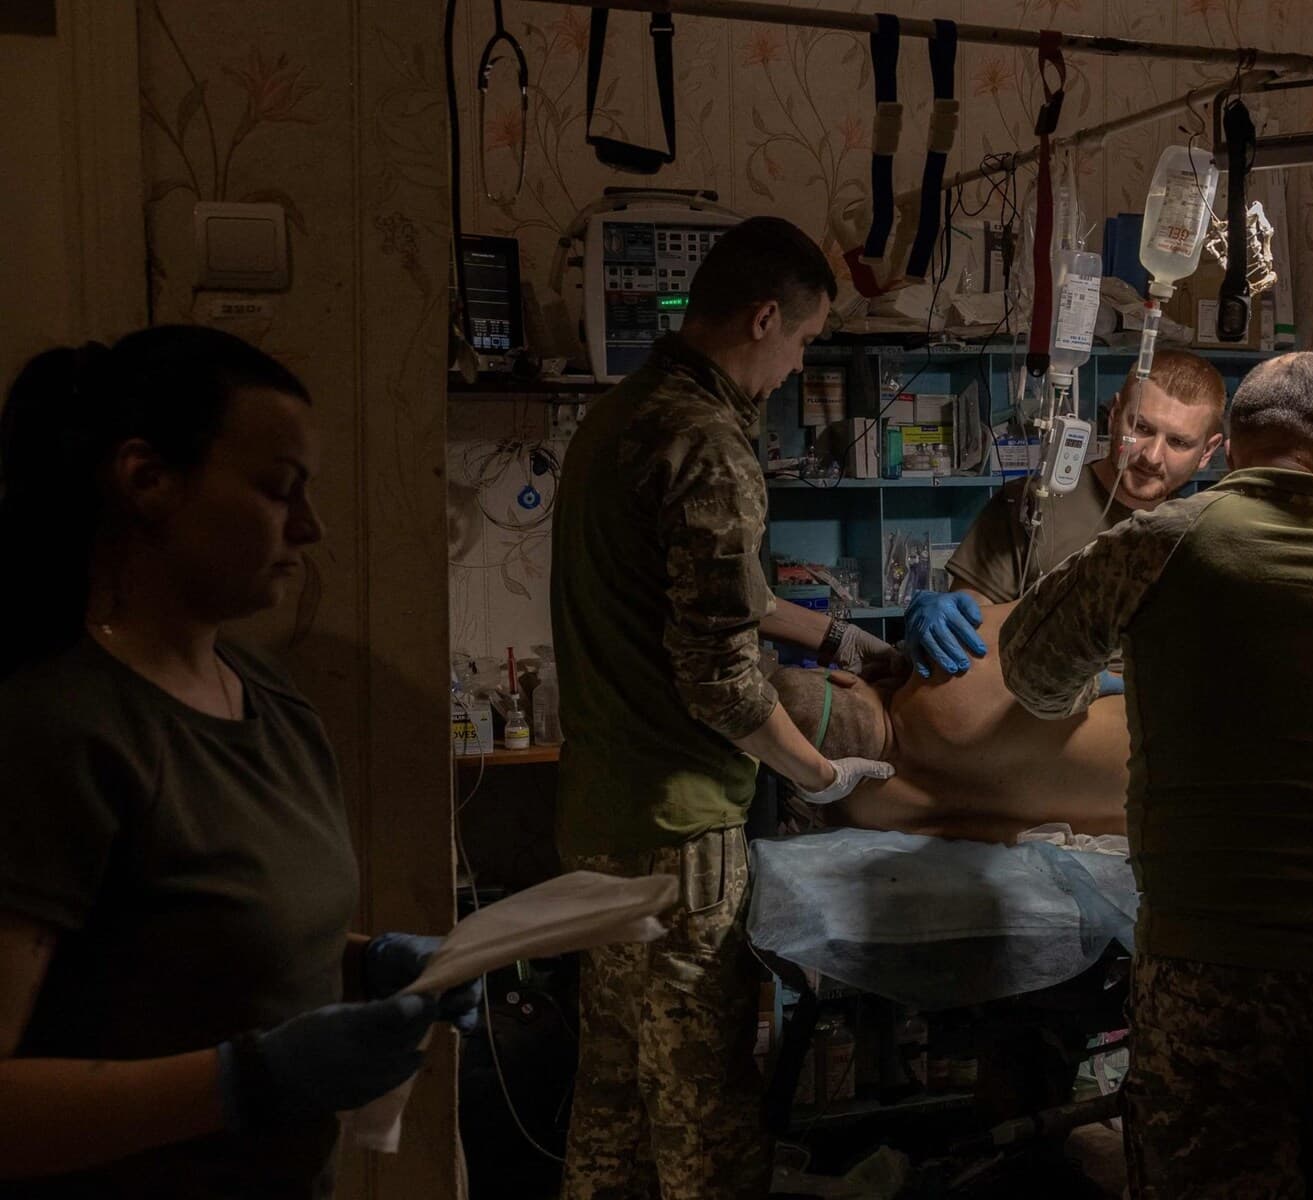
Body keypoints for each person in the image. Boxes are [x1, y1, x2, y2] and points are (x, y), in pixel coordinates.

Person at [0, 327, 482, 1195]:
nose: (311, 527)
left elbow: (188, 945)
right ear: (148, 480)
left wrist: (366, 963)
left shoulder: (265, 693)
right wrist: (244, 1082)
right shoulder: (55, 731)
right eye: (278, 489)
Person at [1000, 352, 1313, 1198]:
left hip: (1214, 965)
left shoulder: (1159, 544)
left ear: (1228, 449)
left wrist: (1128, 666)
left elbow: (1031, 675)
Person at [548, 216, 903, 1198]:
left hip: (602, 821)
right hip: (680, 839)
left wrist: (834, 636)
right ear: (762, 319)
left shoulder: (623, 417)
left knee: (613, 1109)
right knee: (704, 1123)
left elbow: (704, 591)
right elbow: (720, 682)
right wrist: (819, 772)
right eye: (803, 341)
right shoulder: (708, 443)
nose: (797, 368)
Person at [903, 350, 1226, 678]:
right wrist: (949, 620)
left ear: (1208, 451)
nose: (1152, 456)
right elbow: (969, 633)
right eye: (1141, 427)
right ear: (1115, 415)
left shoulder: (1203, 537)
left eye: (1178, 443)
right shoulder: (1032, 503)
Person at [767, 600, 1129, 844]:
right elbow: (1087, 598)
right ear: (842, 678)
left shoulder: (865, 812)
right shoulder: (947, 664)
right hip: (1156, 734)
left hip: (1142, 824)